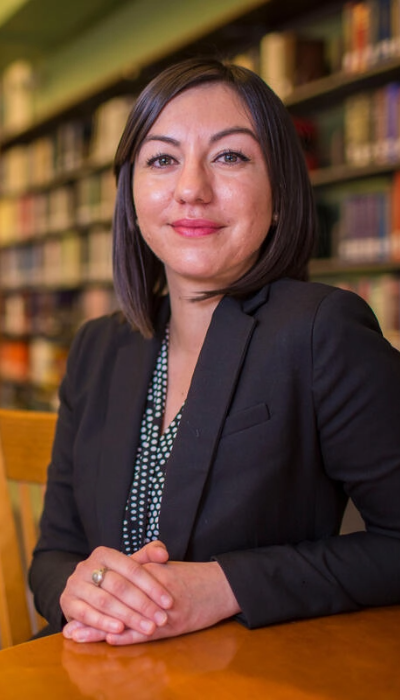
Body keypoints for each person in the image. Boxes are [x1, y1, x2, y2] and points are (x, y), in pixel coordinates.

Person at [29, 57, 400, 646]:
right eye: (162, 159)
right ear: (130, 195)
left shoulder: (321, 331)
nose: (191, 189)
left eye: (230, 156)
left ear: (279, 192)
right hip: (92, 672)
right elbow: (54, 552)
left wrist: (225, 584)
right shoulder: (97, 347)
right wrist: (81, 587)